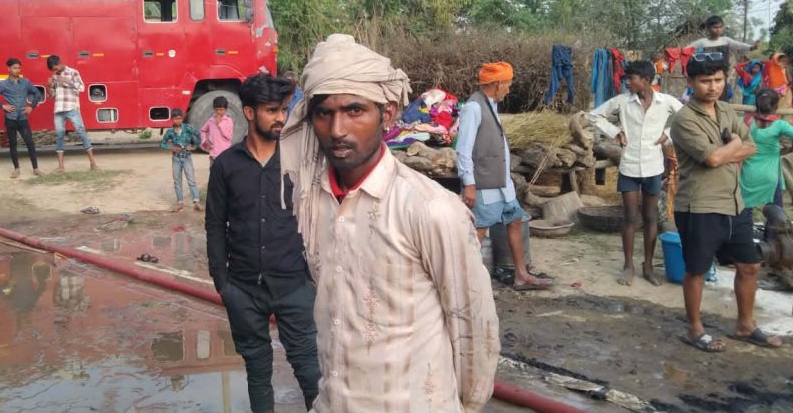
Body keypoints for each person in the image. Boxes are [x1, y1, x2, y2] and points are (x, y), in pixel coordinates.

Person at [280, 34, 499, 412]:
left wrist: (464, 404)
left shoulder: (430, 209)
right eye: (324, 113)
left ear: (388, 114)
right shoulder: (313, 203)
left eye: (354, 110)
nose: (337, 129)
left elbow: (474, 327)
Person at [205, 74, 319, 413]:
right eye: (272, 110)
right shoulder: (226, 165)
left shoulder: (297, 163)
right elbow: (215, 225)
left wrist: (311, 279)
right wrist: (222, 282)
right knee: (257, 370)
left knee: (310, 371)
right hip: (243, 290)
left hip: (294, 286)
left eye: (283, 110)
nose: (281, 118)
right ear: (250, 113)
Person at [670, 52, 782, 352]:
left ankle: (745, 325)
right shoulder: (683, 119)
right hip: (700, 206)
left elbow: (752, 147)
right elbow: (712, 158)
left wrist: (729, 150)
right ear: (690, 82)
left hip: (735, 203)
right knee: (697, 270)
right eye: (705, 81)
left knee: (749, 265)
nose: (713, 87)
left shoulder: (727, 110)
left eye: (718, 80)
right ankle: (695, 329)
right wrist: (733, 144)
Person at [456, 61, 553, 291]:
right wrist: (469, 184)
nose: (509, 89)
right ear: (497, 84)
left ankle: (521, 274)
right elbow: (463, 149)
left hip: (502, 183)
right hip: (484, 184)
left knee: (514, 220)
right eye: (508, 84)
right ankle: (463, 286)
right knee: (478, 230)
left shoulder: (491, 105)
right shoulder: (474, 107)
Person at [587, 60, 682, 286]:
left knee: (650, 217)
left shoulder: (665, 102)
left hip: (653, 166)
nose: (627, 83)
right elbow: (593, 116)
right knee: (629, 216)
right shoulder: (622, 102)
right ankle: (628, 266)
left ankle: (648, 267)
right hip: (629, 166)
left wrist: (668, 134)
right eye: (626, 78)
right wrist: (614, 131)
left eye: (631, 78)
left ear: (646, 80)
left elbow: (687, 118)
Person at [742, 89, 793, 210]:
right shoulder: (779, 125)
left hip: (747, 174)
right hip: (771, 176)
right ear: (776, 106)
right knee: (776, 213)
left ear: (756, 104)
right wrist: (791, 149)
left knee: (744, 210)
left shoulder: (744, 121)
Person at [0, 58, 43, 178]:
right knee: (13, 144)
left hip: (23, 118)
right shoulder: (4, 84)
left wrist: (31, 107)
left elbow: (37, 94)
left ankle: (36, 169)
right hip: (10, 119)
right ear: (8, 69)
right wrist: (3, 106)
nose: (17, 70)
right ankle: (16, 169)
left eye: (18, 68)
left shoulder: (25, 82)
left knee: (30, 143)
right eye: (14, 68)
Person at [46, 55, 98, 173]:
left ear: (60, 63)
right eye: (53, 70)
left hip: (72, 108)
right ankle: (61, 167)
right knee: (59, 136)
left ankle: (93, 164)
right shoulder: (54, 76)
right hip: (59, 110)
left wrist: (68, 81)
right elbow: (51, 96)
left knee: (82, 133)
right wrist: (48, 86)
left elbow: (82, 88)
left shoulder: (73, 72)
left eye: (56, 68)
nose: (55, 71)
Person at [160, 108, 202, 212]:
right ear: (172, 119)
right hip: (176, 158)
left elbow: (198, 134)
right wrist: (171, 148)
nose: (178, 121)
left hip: (187, 157)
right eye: (175, 119)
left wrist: (195, 146)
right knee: (177, 180)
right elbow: (162, 144)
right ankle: (180, 203)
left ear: (182, 118)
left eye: (180, 118)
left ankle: (196, 202)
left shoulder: (187, 128)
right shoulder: (170, 132)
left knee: (191, 180)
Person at [687, 15, 761, 53]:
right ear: (708, 28)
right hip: (705, 73)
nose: (718, 30)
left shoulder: (725, 40)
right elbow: (686, 51)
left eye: (720, 27)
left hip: (721, 73)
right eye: (715, 27)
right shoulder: (701, 42)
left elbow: (739, 45)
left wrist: (753, 47)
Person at [199, 95, 234, 163]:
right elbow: (203, 131)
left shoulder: (228, 121)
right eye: (216, 109)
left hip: (225, 154)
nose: (218, 112)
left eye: (221, 109)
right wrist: (204, 141)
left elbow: (229, 137)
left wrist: (220, 124)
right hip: (213, 154)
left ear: (225, 109)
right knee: (213, 169)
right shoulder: (211, 120)